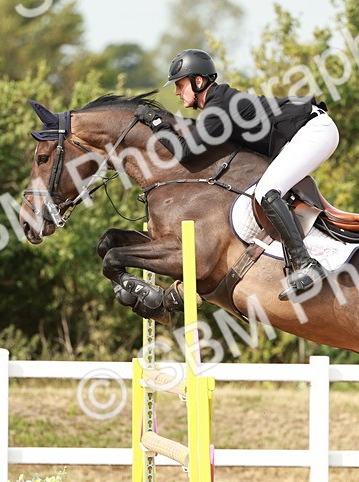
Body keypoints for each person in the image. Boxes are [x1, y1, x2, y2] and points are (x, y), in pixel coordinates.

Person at [134, 49, 339, 300]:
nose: (177, 91)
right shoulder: (217, 104)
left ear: (198, 82)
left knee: (267, 191)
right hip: (307, 133)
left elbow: (186, 153)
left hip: (314, 131)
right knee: (267, 189)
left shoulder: (218, 106)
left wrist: (156, 123)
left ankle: (306, 264)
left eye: (180, 84)